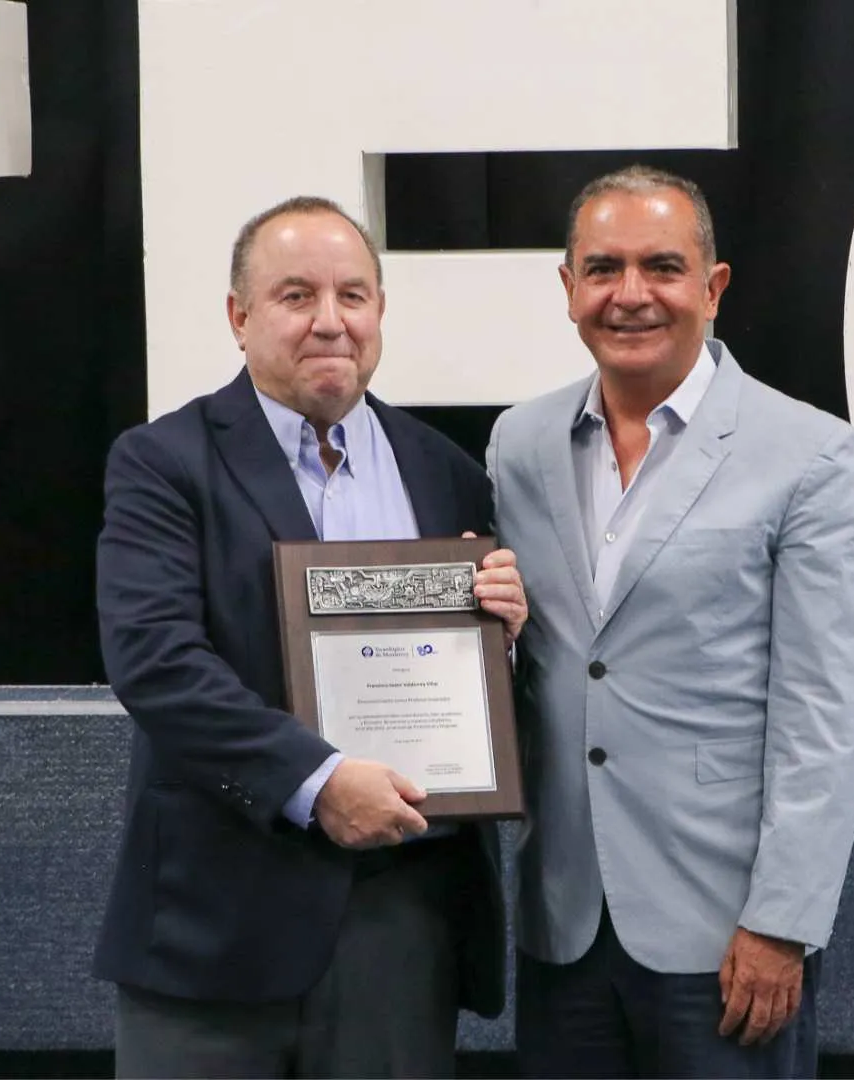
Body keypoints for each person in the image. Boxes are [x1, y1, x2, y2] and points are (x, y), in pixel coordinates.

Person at [93, 195, 528, 1079]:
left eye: (353, 296)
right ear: (238, 317)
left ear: (379, 313)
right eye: (297, 296)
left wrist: (504, 639)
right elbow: (156, 661)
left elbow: (486, 700)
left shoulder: (448, 473)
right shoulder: (164, 462)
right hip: (215, 928)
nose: (331, 321)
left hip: (402, 928)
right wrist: (318, 780)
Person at [487, 165, 854, 1078]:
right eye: (603, 268)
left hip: (729, 937)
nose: (631, 295)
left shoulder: (811, 455)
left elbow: (825, 718)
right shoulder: (521, 442)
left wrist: (783, 923)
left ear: (714, 286)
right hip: (563, 919)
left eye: (662, 266)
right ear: (567, 288)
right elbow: (535, 660)